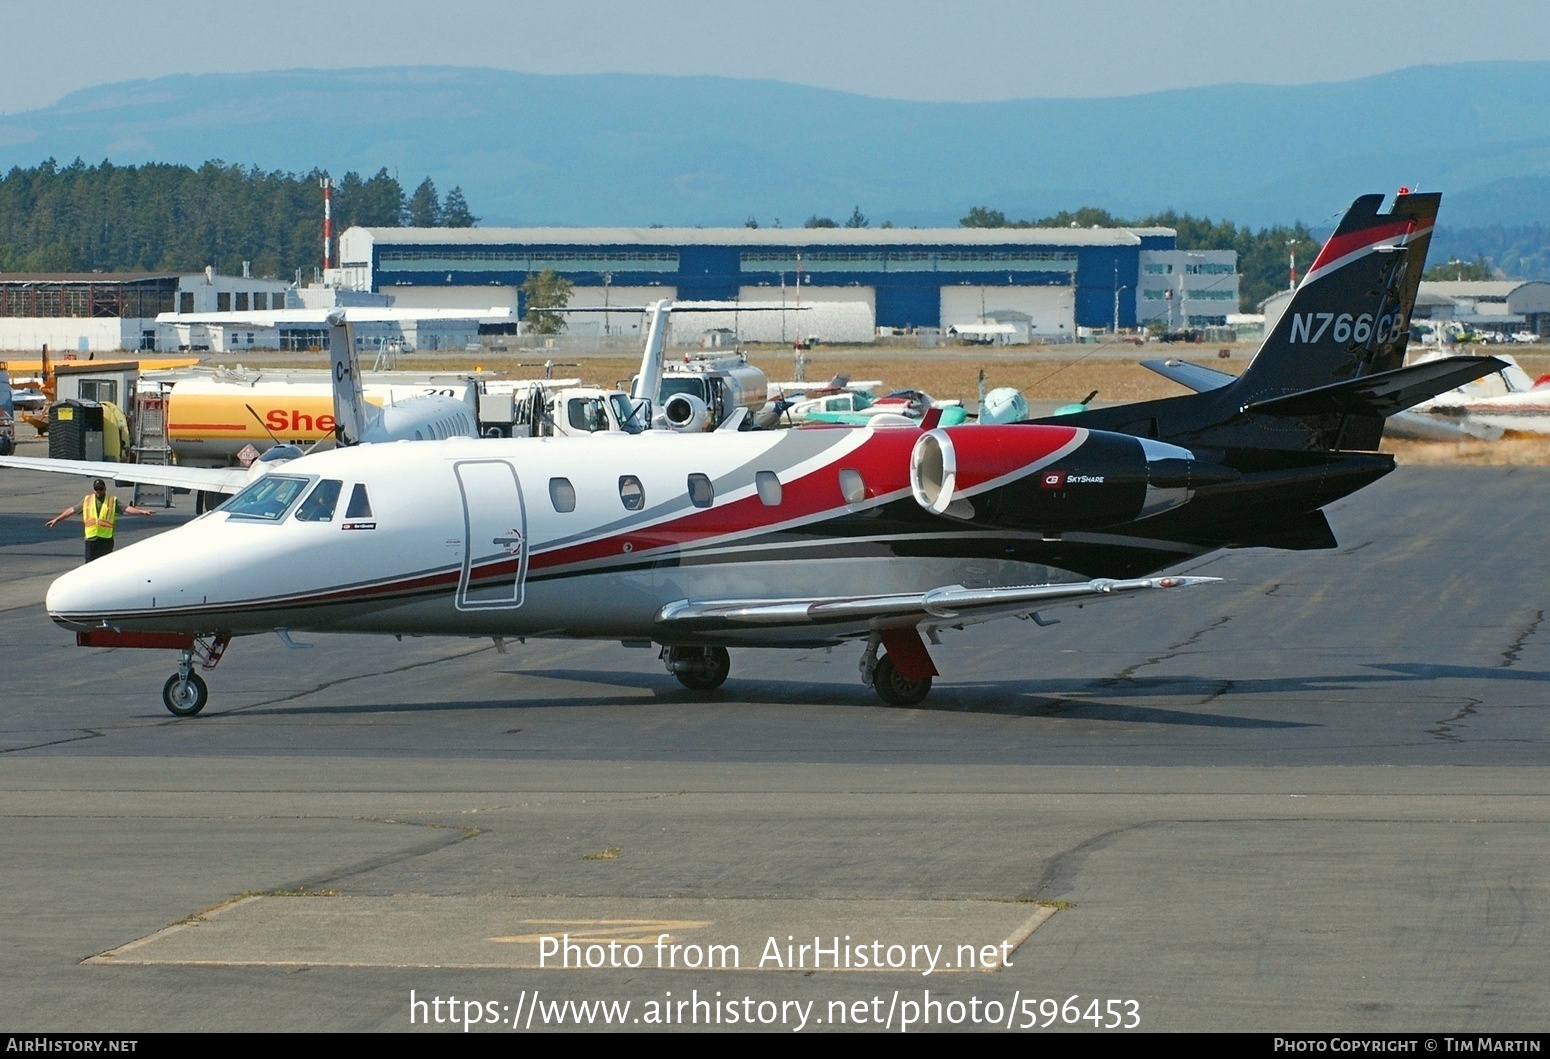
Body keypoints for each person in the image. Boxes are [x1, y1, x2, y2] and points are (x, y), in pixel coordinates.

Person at [46, 478, 155, 563]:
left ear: (105, 489)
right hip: (91, 539)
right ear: (94, 489)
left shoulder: (112, 501)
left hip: (106, 539)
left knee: (105, 565)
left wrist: (142, 512)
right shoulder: (87, 500)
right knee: (89, 565)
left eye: (100, 489)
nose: (98, 491)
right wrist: (57, 519)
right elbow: (72, 510)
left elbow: (126, 509)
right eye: (96, 489)